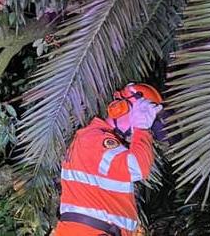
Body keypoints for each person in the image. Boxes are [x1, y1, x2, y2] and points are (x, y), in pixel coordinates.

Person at [54, 83, 164, 236]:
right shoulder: (95, 140)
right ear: (121, 108)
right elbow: (138, 167)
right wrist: (141, 129)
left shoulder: (93, 139)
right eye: (142, 114)